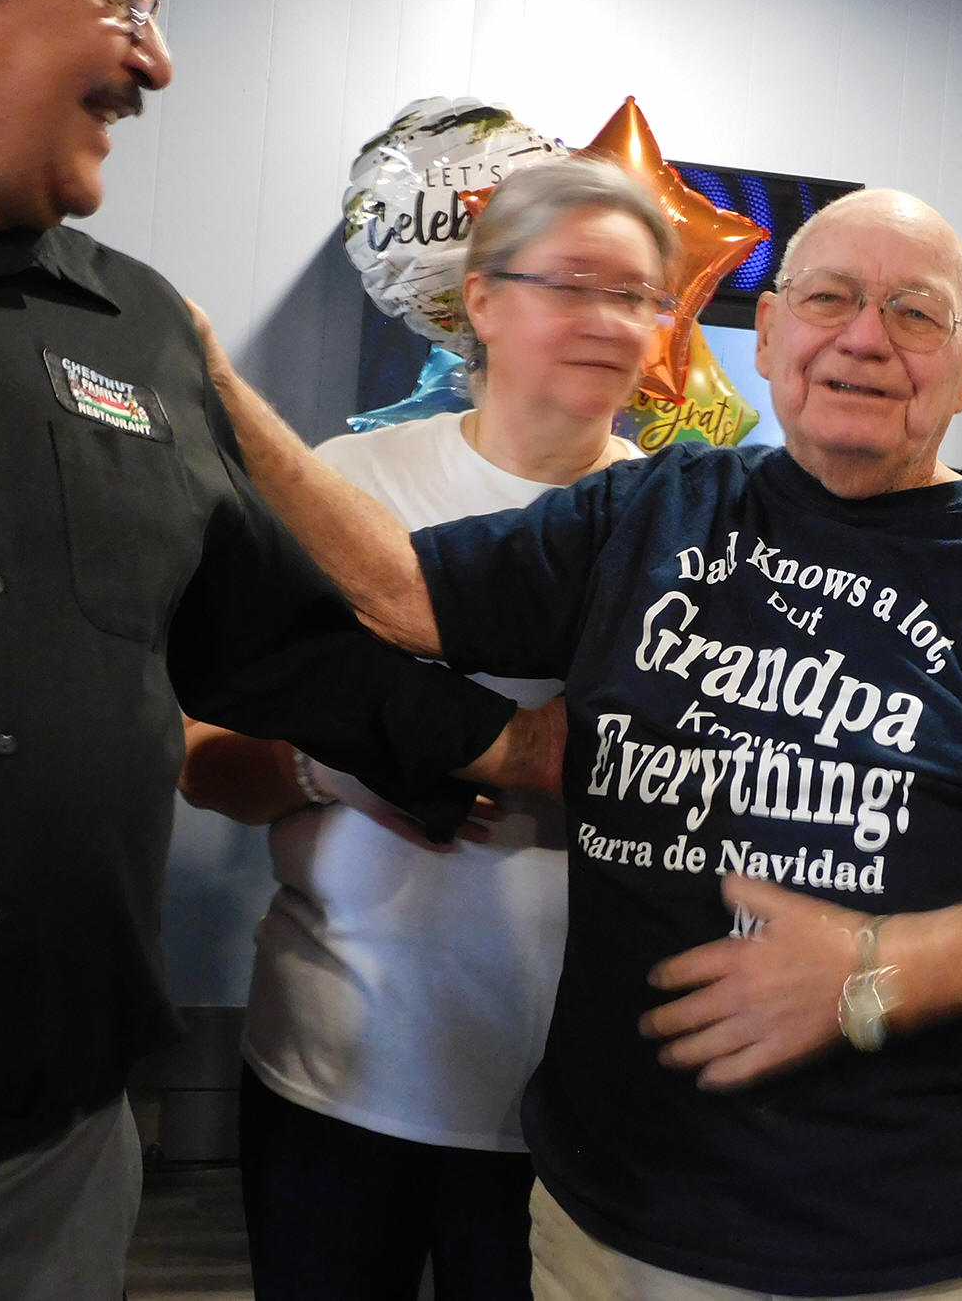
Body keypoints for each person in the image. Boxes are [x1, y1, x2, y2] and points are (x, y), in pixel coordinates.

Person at [193, 185, 962, 1299]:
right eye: (828, 298)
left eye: (914, 312)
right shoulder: (651, 508)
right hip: (612, 1231)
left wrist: (872, 973)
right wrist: (212, 385)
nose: (865, 338)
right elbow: (403, 592)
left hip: (925, 1249)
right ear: (770, 332)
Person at [0, 0, 550, 1297]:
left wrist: (522, 751)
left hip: (62, 1181)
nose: (156, 60)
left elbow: (277, 650)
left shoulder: (138, 326)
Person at [180, 158, 675, 1301]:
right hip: (337, 1071)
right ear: (482, 301)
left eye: (636, 296)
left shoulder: (678, 529)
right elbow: (203, 762)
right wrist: (331, 765)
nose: (607, 321)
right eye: (571, 284)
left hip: (576, 1101)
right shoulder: (344, 489)